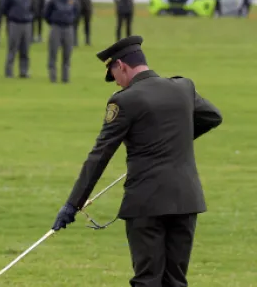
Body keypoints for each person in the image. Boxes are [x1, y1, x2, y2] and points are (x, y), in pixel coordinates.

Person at [52, 35, 223, 287]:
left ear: (121, 65)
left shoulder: (124, 100)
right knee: (176, 281)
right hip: (186, 199)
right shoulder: (183, 87)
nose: (117, 83)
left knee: (147, 280)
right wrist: (173, 140)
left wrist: (72, 205)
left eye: (114, 75)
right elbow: (212, 117)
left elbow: (100, 155)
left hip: (147, 202)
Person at [44, 0, 77, 83]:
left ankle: (65, 77)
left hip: (68, 28)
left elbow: (76, 12)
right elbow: (46, 13)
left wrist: (70, 20)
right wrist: (53, 22)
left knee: (67, 53)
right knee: (53, 52)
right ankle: (53, 77)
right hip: (56, 27)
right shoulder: (53, 0)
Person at [2, 0, 34, 79]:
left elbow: (34, 8)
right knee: (12, 48)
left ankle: (23, 71)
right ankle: (9, 71)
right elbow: (4, 8)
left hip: (27, 24)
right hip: (15, 23)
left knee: (25, 49)